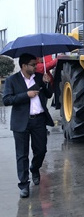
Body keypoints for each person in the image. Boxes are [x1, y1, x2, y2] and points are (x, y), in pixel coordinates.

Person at [2, 53, 54, 198]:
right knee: (22, 155)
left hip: (39, 120)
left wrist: (47, 82)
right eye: (32, 64)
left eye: (36, 64)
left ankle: (35, 168)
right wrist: (27, 95)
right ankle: (23, 184)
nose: (36, 66)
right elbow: (6, 100)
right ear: (24, 66)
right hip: (21, 122)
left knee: (41, 150)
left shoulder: (39, 77)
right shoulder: (12, 80)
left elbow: (49, 95)